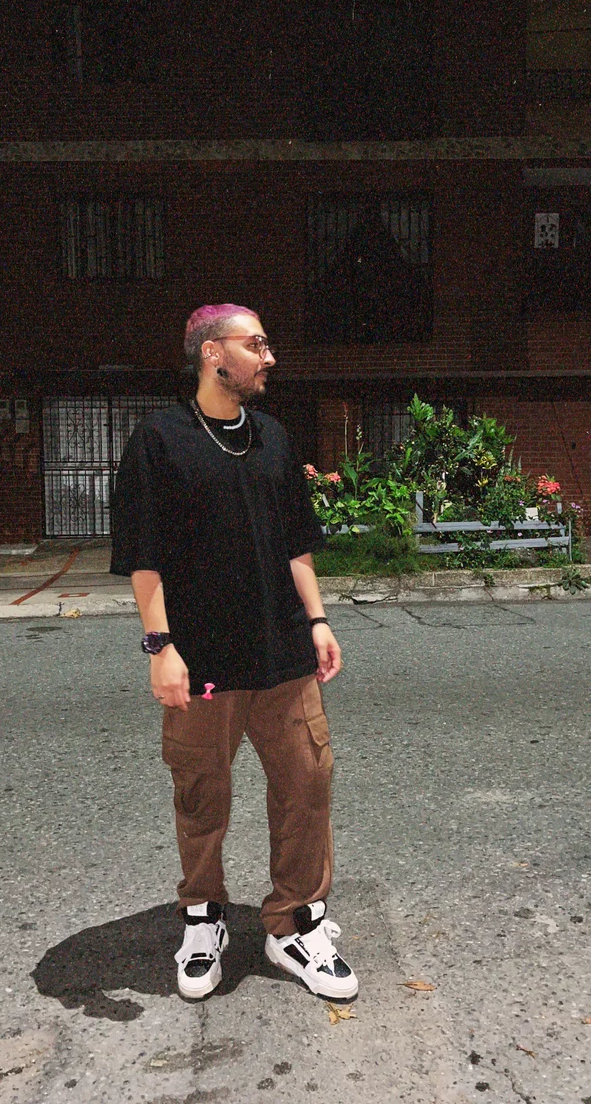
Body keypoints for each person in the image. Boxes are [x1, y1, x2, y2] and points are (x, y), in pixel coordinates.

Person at [109, 303, 358, 1003]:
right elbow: (143, 557)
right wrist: (160, 646)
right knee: (201, 793)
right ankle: (203, 915)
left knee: (307, 782)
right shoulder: (160, 440)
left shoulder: (273, 437)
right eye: (256, 345)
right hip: (203, 664)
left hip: (283, 654)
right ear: (213, 354)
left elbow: (296, 544)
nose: (269, 357)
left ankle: (295, 923)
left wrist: (318, 619)